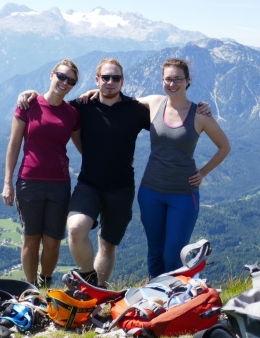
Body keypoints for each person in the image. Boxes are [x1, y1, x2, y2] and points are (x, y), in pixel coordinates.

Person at [17, 58, 211, 287]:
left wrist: (199, 109)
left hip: (121, 188)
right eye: (105, 78)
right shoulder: (82, 106)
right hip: (88, 184)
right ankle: (89, 279)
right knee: (75, 228)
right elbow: (54, 104)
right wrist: (31, 94)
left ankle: (97, 293)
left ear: (122, 81)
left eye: (115, 78)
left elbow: (172, 117)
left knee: (108, 245)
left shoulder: (135, 109)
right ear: (97, 80)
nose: (110, 82)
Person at [137, 58, 230, 278]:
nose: (172, 84)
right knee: (155, 252)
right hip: (150, 191)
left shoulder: (200, 114)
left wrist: (203, 173)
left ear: (187, 81)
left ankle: (175, 301)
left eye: (178, 79)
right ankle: (155, 299)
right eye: (168, 79)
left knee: (173, 255)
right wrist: (95, 91)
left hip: (183, 194)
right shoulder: (154, 103)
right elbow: (118, 100)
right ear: (162, 80)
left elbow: (224, 146)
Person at [2, 59, 81, 288]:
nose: (65, 83)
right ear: (51, 75)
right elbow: (14, 145)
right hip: (29, 182)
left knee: (53, 242)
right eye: (61, 76)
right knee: (31, 240)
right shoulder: (29, 104)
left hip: (59, 185)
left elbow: (83, 147)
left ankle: (44, 283)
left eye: (71, 81)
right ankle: (29, 288)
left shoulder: (72, 114)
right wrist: (8, 183)